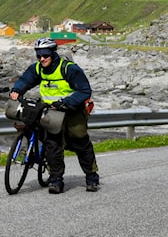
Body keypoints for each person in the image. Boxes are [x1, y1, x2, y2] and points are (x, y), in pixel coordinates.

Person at [9, 37, 100, 194]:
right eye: (39, 55)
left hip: (73, 112)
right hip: (51, 112)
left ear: (53, 53)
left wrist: (65, 102)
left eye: (45, 55)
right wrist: (17, 91)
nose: (42, 59)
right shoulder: (38, 68)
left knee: (80, 143)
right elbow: (25, 80)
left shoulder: (69, 69)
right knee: (53, 145)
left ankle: (91, 177)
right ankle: (56, 180)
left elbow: (84, 91)